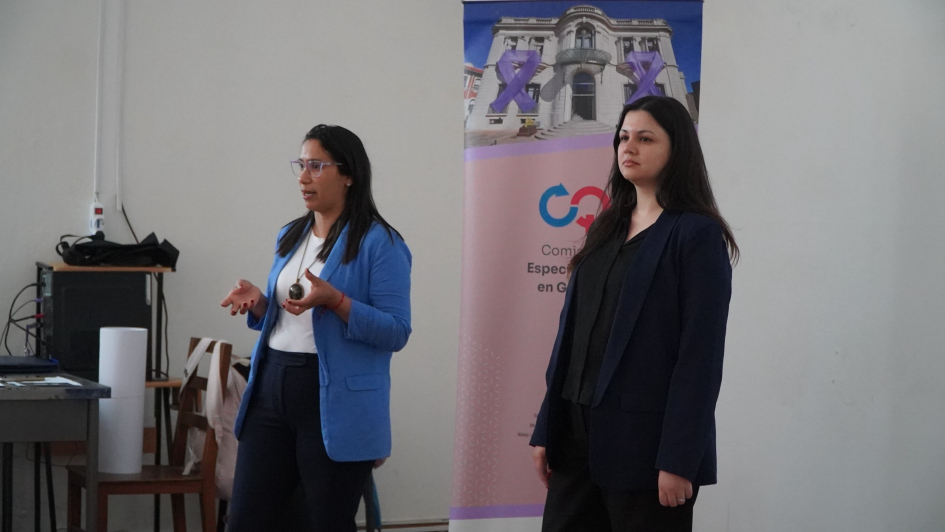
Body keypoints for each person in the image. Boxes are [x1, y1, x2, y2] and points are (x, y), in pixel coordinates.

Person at [529, 96, 737, 532]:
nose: (629, 147)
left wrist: (679, 459)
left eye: (645, 138)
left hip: (647, 449)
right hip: (575, 439)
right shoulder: (604, 227)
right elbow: (570, 338)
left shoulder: (696, 235)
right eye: (623, 137)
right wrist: (547, 427)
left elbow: (699, 358)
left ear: (677, 149)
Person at [220, 124, 411, 532]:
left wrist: (336, 301)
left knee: (322, 522)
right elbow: (292, 317)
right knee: (246, 520)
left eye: (317, 166)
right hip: (270, 386)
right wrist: (260, 302)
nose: (304, 177)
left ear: (348, 174)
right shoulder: (290, 235)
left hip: (333, 398)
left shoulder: (381, 243)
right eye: (301, 165)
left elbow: (396, 331)